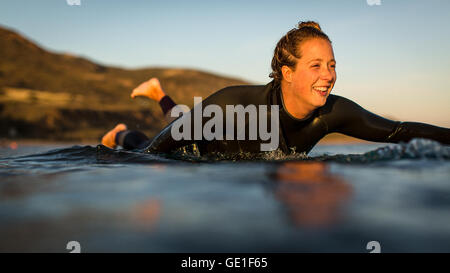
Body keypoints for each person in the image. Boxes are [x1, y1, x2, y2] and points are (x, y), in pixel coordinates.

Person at [101, 21, 450, 156]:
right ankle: (120, 132)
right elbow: (149, 158)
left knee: (179, 120)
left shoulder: (334, 112)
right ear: (287, 72)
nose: (328, 75)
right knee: (153, 143)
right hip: (209, 138)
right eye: (316, 66)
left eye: (332, 65)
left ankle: (156, 91)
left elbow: (397, 131)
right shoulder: (231, 106)